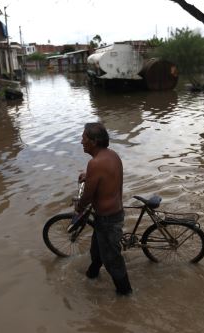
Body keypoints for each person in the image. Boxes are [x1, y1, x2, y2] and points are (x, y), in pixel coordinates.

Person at [75, 122, 132, 295]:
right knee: (97, 249)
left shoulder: (95, 163)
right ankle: (91, 275)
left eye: (84, 138)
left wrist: (79, 206)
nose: (81, 141)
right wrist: (88, 176)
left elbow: (88, 196)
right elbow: (105, 177)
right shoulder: (111, 155)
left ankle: (125, 293)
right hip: (112, 214)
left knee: (112, 259)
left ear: (93, 142)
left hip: (108, 219)